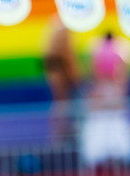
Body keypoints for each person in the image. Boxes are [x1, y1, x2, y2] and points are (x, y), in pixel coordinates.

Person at [80, 30, 130, 166]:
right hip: (100, 122)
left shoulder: (119, 84)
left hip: (115, 120)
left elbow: (120, 103)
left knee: (119, 143)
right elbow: (92, 104)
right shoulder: (96, 86)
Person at [42, 13, 81, 142]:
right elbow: (68, 56)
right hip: (59, 74)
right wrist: (75, 75)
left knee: (60, 104)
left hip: (54, 73)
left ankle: (59, 135)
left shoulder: (54, 28)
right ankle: (60, 136)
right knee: (63, 105)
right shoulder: (63, 30)